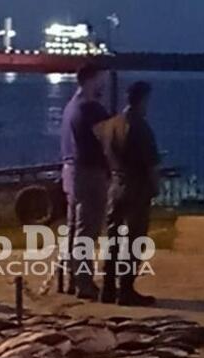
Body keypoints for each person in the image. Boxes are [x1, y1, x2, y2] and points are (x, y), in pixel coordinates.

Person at [98, 81, 160, 306]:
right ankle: (126, 288)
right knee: (135, 239)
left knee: (112, 237)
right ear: (143, 99)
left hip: (116, 185)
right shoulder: (141, 127)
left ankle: (107, 286)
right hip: (136, 187)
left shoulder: (110, 125)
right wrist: (155, 186)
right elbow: (151, 163)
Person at [60, 64, 111, 299]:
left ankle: (72, 277)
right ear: (92, 79)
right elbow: (110, 140)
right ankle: (83, 282)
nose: (104, 84)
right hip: (90, 173)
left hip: (71, 172)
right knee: (87, 231)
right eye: (101, 79)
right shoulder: (92, 110)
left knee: (74, 229)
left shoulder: (71, 106)